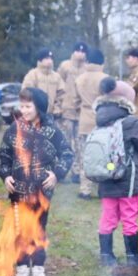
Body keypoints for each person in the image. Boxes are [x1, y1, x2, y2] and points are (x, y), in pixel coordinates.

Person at [0, 87, 74, 276]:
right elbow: (4, 156)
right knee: (19, 231)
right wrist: (5, 175)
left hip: (41, 192)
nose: (23, 110)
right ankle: (22, 268)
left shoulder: (52, 131)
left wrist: (56, 174)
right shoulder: (13, 129)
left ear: (39, 107)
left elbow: (67, 153)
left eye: (28, 106)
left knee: (39, 230)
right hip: (18, 193)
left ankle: (38, 268)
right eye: (21, 105)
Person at [91, 78, 138, 266]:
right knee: (129, 217)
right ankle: (133, 256)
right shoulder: (130, 121)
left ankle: (106, 256)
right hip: (127, 179)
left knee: (108, 217)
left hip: (106, 177)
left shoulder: (99, 119)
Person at [74, 48, 109, 199]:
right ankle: (102, 189)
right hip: (102, 122)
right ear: (102, 61)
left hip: (84, 122)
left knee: (84, 157)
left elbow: (75, 101)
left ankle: (85, 190)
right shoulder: (106, 79)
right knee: (102, 156)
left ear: (88, 61)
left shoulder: (79, 79)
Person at [57, 41, 88, 183]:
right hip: (67, 110)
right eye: (78, 51)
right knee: (66, 143)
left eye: (83, 51)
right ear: (73, 52)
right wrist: (61, 103)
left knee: (79, 143)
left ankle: (77, 172)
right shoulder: (65, 66)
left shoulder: (87, 68)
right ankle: (63, 170)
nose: (80, 54)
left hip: (81, 111)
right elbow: (59, 84)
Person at [22, 49, 66, 119]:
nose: (50, 61)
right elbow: (26, 94)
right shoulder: (32, 75)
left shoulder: (57, 77)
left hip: (52, 116)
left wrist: (57, 109)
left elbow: (61, 95)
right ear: (40, 60)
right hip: (36, 116)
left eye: (51, 59)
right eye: (46, 58)